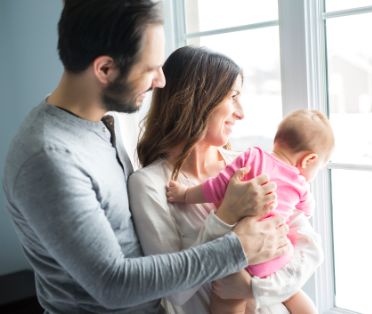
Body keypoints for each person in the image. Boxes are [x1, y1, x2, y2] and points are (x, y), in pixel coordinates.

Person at [1, 1, 290, 313]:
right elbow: (112, 284)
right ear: (105, 69)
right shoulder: (48, 158)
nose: (161, 81)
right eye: (150, 68)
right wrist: (238, 246)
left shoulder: (99, 124)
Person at [129, 45, 325, 314]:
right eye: (232, 97)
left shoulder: (246, 163)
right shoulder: (149, 185)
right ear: (197, 100)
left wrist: (258, 289)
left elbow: (309, 246)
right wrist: (225, 215)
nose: (241, 112)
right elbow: (173, 289)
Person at [166, 108, 334, 313]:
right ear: (308, 160)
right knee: (294, 294)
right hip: (279, 253)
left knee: (227, 297)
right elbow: (307, 210)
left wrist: (185, 195)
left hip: (245, 253)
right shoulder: (300, 184)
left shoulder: (252, 158)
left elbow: (217, 187)